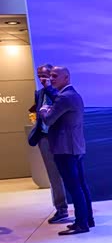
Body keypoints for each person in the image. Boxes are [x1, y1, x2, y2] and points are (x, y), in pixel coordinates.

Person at [39, 67, 94, 236]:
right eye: (50, 76)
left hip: (65, 149)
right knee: (81, 185)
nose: (51, 78)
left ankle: (81, 224)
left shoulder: (64, 97)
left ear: (66, 77)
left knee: (74, 187)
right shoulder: (73, 95)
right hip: (74, 147)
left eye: (55, 76)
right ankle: (87, 219)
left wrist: (43, 110)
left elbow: (49, 120)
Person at [28, 64, 70, 223]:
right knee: (53, 175)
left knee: (67, 173)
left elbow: (59, 103)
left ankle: (76, 207)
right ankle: (61, 209)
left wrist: (49, 88)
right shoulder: (39, 93)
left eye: (45, 75)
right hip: (44, 138)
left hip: (60, 137)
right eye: (39, 75)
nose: (41, 78)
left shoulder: (60, 91)